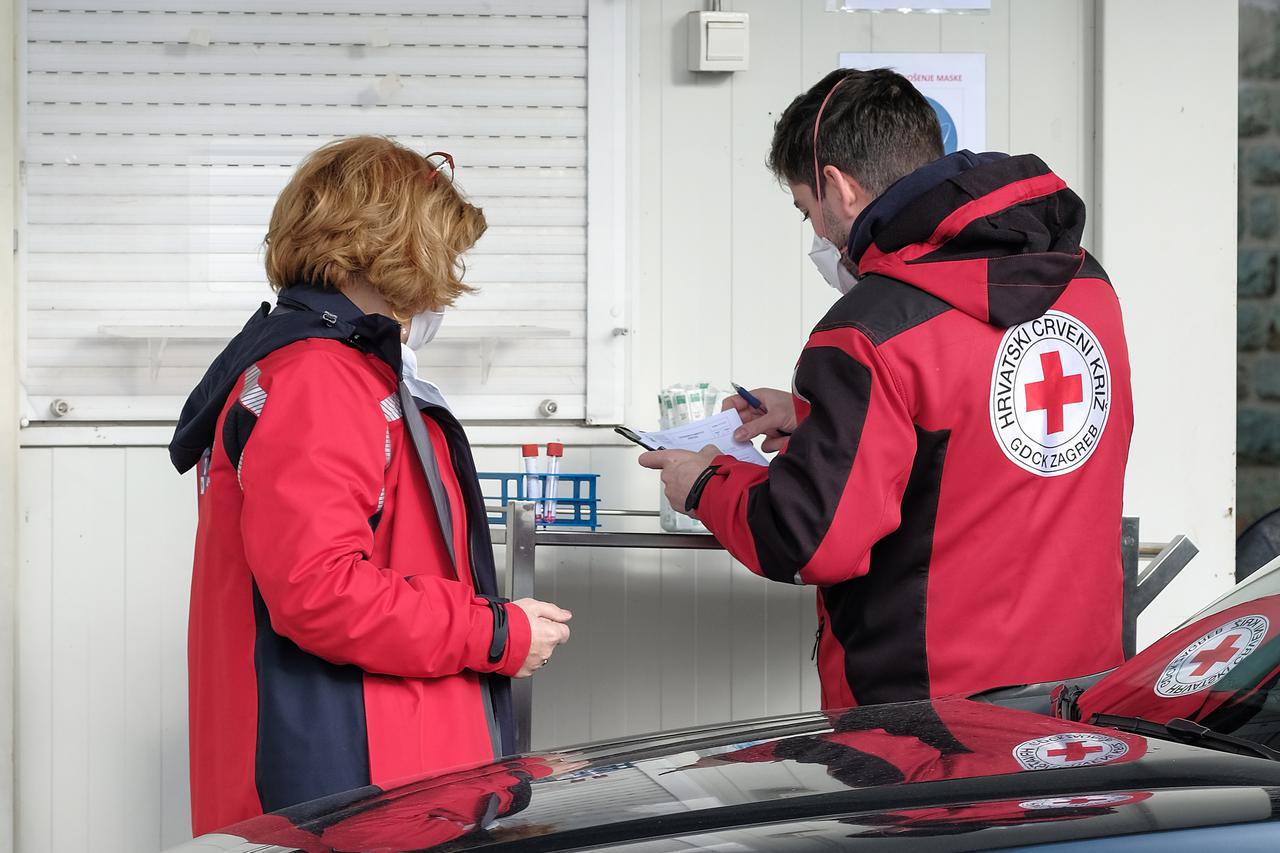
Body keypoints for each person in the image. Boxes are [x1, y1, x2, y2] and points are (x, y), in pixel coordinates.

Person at [639, 68, 1134, 710]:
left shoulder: (866, 331)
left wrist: (705, 484)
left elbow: (811, 540)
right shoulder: (1086, 284)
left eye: (806, 207)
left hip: (928, 718)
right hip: (1082, 691)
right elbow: (982, 433)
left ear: (840, 188)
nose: (816, 232)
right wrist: (819, 418)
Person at [170, 136, 572, 835]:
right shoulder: (320, 380)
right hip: (354, 788)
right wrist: (498, 630)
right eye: (443, 249)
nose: (447, 274)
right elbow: (320, 589)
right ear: (389, 243)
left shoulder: (337, 371)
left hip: (385, 774)